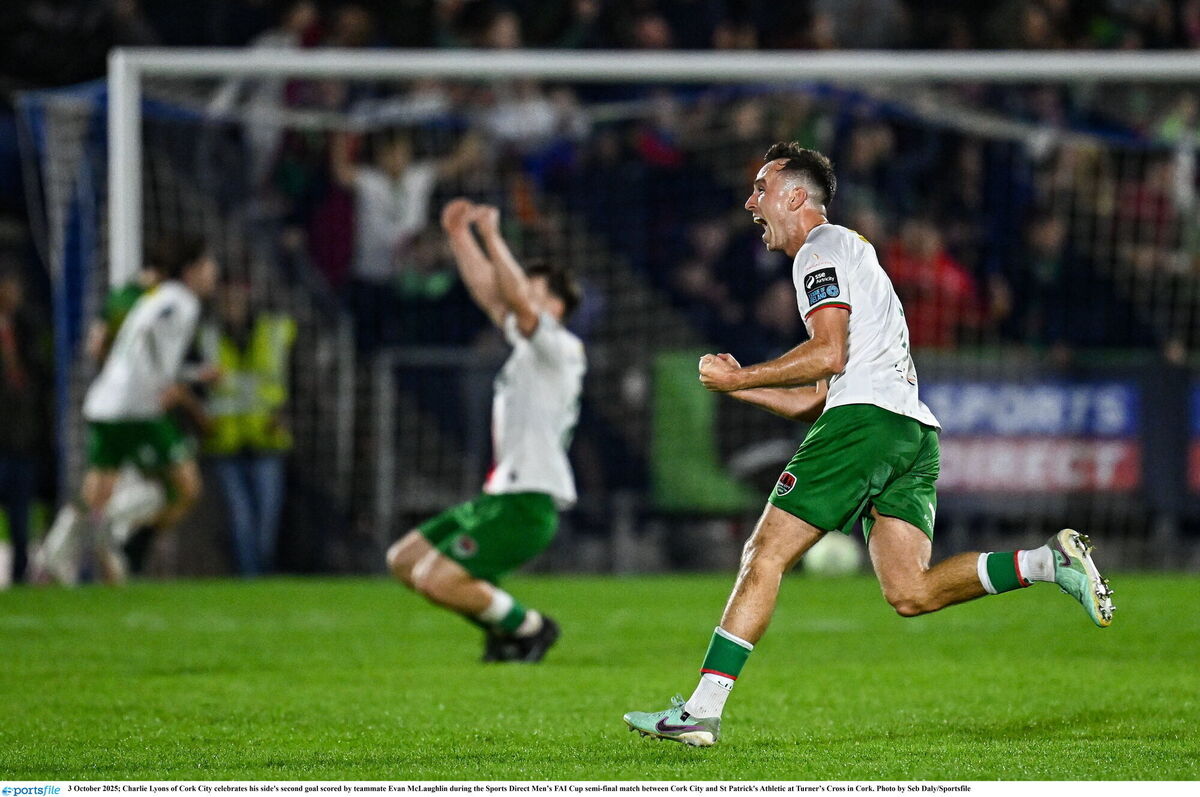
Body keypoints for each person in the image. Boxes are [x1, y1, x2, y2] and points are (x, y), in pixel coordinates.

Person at [622, 143, 1115, 747]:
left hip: (867, 425)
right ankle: (1046, 563)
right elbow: (814, 395)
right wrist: (738, 388)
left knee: (764, 555)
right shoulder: (855, 254)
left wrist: (741, 375)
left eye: (760, 188)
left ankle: (701, 711)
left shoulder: (819, 250)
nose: (750, 202)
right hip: (910, 430)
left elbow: (827, 356)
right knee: (910, 591)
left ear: (795, 196)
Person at [385, 198, 585, 663]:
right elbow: (494, 298)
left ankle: (529, 628)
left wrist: (493, 235)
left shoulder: (561, 346)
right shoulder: (529, 348)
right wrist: (460, 236)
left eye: (530, 287)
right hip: (501, 496)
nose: (516, 292)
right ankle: (506, 630)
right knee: (404, 561)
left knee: (436, 579)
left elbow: (510, 298)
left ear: (555, 303)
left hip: (529, 502)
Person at [70, 238, 217, 583]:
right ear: (192, 270)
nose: (215, 273)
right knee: (184, 488)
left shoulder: (154, 297)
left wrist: (190, 374)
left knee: (99, 491)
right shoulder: (182, 302)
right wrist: (165, 383)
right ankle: (122, 536)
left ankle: (89, 564)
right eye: (210, 266)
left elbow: (130, 343)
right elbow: (150, 342)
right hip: (138, 407)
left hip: (108, 401)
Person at [199, 280, 296, 576]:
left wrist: (287, 411)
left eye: (236, 300)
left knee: (266, 521)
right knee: (241, 518)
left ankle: (262, 573)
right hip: (225, 440)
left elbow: (295, 375)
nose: (231, 307)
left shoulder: (274, 330)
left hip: (266, 438)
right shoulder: (206, 336)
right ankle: (250, 577)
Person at [0, 259, 52, 586]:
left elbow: (42, 373)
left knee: (21, 518)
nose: (14, 292)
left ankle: (20, 578)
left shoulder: (30, 327)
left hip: (24, 441)